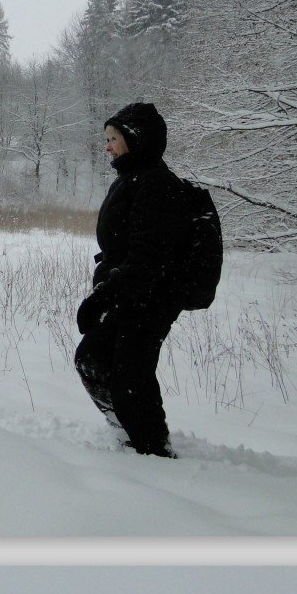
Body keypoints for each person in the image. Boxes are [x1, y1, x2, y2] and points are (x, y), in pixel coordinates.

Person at [72, 102, 193, 458]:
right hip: (131, 293)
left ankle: (152, 452)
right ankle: (132, 434)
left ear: (137, 140)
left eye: (113, 138)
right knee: (97, 360)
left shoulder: (155, 184)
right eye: (106, 138)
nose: (107, 145)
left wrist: (104, 295)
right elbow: (123, 247)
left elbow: (149, 257)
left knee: (128, 376)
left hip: (149, 297)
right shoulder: (133, 179)